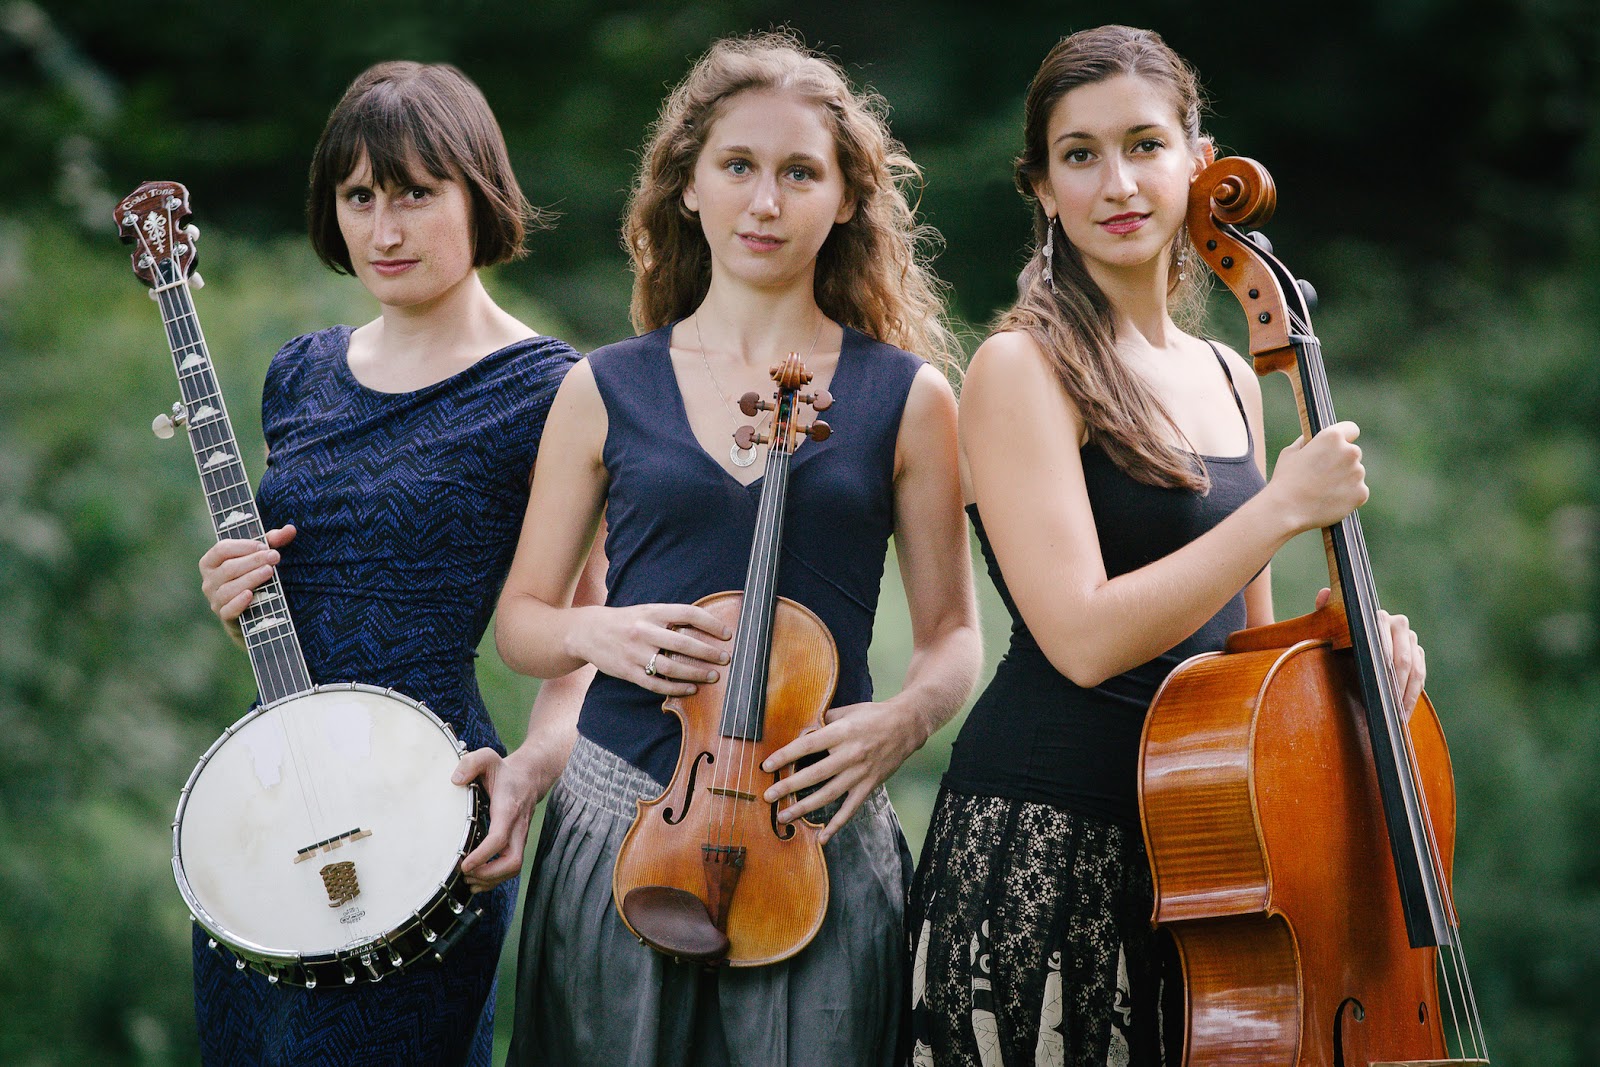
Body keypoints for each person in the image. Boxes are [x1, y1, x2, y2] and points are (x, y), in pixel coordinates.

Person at [904, 25, 1427, 1065]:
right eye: (1080, 154)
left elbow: (1242, 654)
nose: (1118, 183)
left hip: (1212, 859)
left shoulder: (1229, 374)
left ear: (1198, 160)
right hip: (1048, 846)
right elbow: (1083, 638)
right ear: (1042, 187)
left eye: (1144, 145)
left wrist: (1348, 644)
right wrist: (1277, 508)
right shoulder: (1021, 367)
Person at [492, 31, 983, 1066]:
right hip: (621, 814)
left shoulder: (909, 396)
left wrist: (901, 722)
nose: (766, 202)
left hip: (814, 827)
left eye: (800, 173)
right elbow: (523, 624)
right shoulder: (603, 386)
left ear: (844, 200)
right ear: (688, 185)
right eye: (738, 166)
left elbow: (952, 635)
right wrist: (596, 632)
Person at [192, 61, 596, 1065]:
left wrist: (533, 768)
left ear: (479, 195)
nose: (384, 229)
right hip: (273, 814)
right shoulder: (299, 374)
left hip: (425, 820)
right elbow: (302, 591)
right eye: (359, 195)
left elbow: (588, 633)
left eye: (416, 193)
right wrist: (236, 597)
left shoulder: (553, 390)